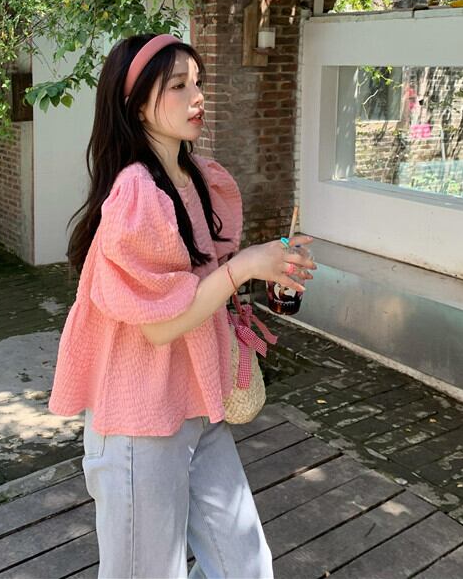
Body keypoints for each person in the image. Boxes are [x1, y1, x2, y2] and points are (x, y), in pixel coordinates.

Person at [49, 33, 316, 578]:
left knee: (245, 565)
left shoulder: (197, 178)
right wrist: (245, 266)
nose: (197, 97)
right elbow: (161, 324)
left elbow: (204, 284)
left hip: (197, 401)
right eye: (178, 85)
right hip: (139, 421)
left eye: (198, 82)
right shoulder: (135, 192)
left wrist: (269, 270)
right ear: (136, 105)